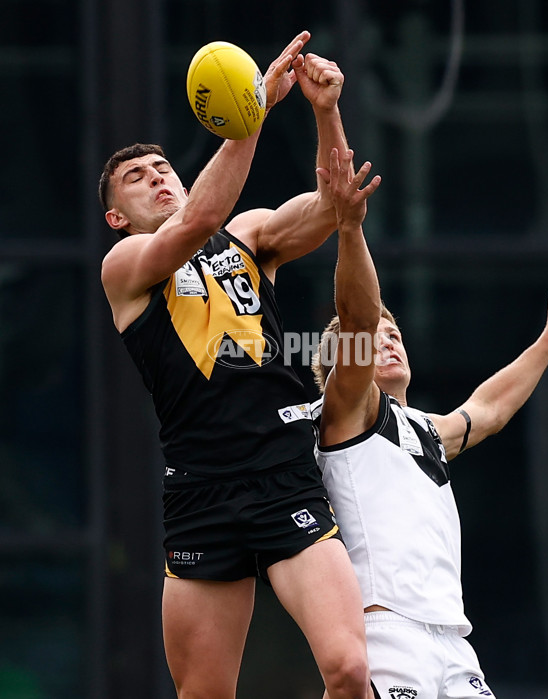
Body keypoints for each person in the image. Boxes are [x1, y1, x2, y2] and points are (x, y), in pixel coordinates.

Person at [99, 33, 375, 699]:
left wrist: (324, 110)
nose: (156, 176)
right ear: (115, 216)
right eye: (136, 178)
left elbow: (335, 206)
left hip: (284, 475)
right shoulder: (126, 270)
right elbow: (194, 224)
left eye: (163, 167)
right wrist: (252, 110)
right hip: (201, 488)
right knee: (204, 693)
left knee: (349, 669)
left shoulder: (248, 234)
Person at [311, 148, 548, 699]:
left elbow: (489, 409)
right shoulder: (346, 416)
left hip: (453, 639)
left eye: (394, 334)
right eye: (369, 337)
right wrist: (350, 228)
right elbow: (360, 314)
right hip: (388, 630)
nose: (385, 339)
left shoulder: (425, 431)